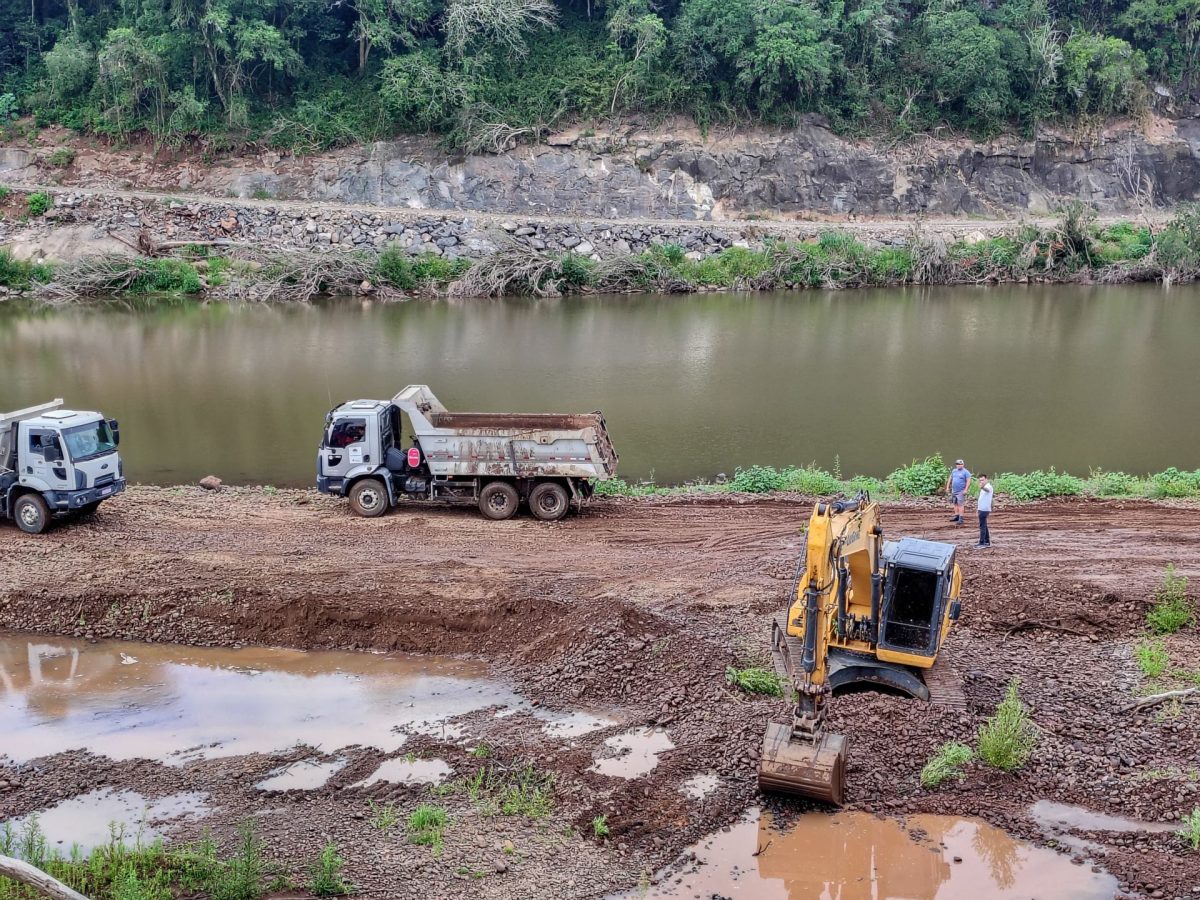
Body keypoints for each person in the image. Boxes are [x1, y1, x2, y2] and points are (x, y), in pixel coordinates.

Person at [945, 459, 972, 525]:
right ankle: (956, 516)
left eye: (960, 464)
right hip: (954, 490)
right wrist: (947, 487)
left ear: (963, 465)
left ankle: (961, 518)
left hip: (961, 491)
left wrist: (966, 490)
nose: (959, 465)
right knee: (955, 503)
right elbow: (950, 479)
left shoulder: (966, 472)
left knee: (960, 504)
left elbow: (968, 481)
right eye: (957, 464)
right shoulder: (954, 471)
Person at [976, 474, 993, 548]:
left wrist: (982, 487)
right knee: (984, 525)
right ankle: (987, 541)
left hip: (984, 509)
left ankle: (982, 542)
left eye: (983, 480)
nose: (981, 481)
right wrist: (978, 509)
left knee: (982, 526)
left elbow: (988, 490)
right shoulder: (984, 487)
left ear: (986, 479)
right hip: (981, 509)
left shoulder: (988, 487)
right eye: (980, 480)